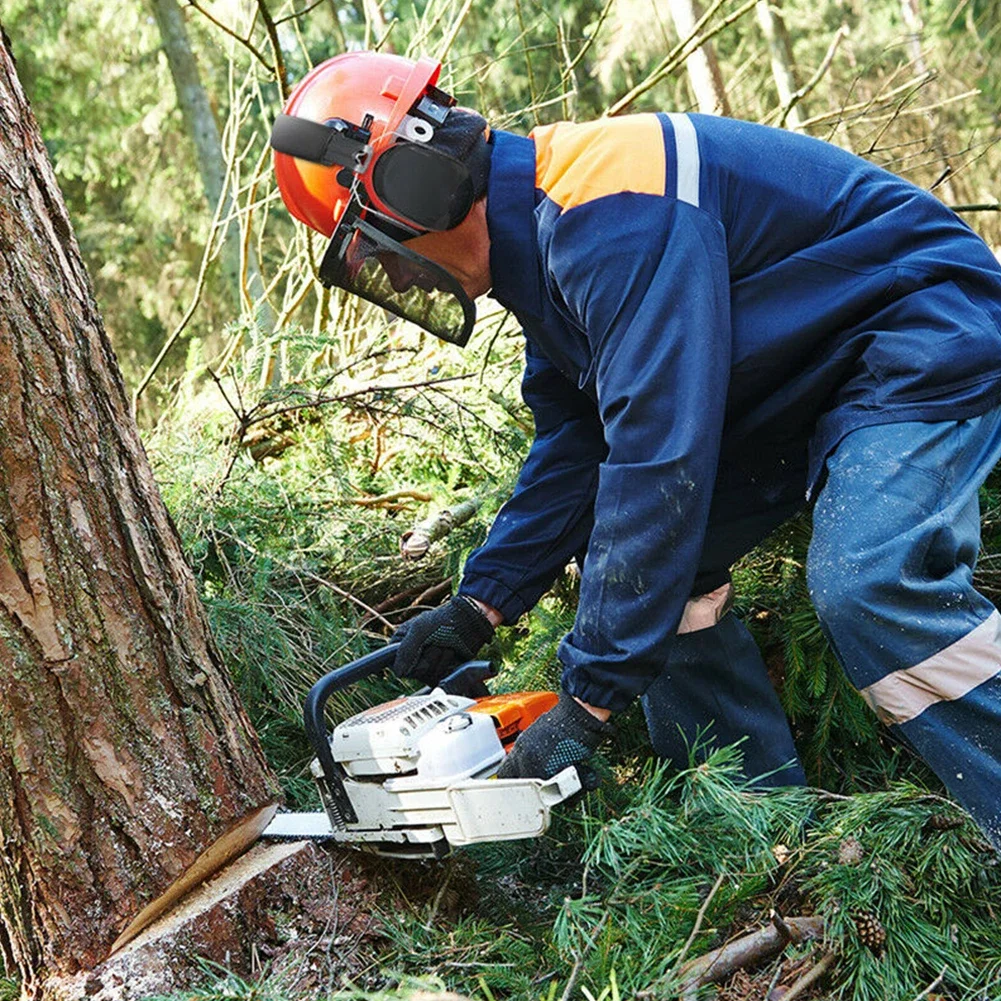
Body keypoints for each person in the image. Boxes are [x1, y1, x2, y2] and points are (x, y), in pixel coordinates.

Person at [271, 51, 1001, 847]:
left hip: (914, 331)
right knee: (668, 572)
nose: (396, 279)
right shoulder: (544, 237)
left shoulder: (609, 209)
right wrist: (481, 602)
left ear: (417, 187)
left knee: (865, 582)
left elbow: (658, 455)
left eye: (375, 247)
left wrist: (586, 703)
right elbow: (577, 440)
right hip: (801, 377)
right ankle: (759, 832)